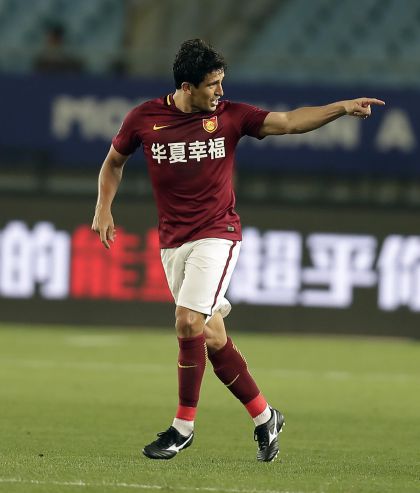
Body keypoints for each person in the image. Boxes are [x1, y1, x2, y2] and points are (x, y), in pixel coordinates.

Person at [91, 39, 385, 462]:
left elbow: (289, 122)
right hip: (173, 242)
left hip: (218, 233)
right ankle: (266, 416)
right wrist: (103, 207)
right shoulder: (144, 119)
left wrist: (340, 107)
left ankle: (182, 427)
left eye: (222, 82)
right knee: (211, 336)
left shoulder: (230, 116)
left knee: (188, 321)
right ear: (187, 87)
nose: (220, 92)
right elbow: (113, 162)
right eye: (212, 85)